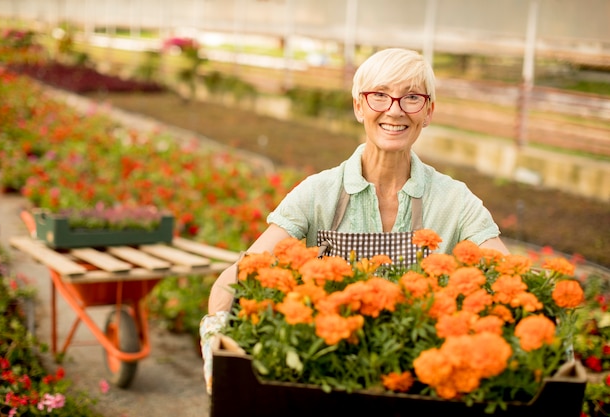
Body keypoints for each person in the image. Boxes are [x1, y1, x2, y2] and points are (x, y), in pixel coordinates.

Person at [199, 47, 510, 393]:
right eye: (379, 95)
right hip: (329, 378)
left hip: (421, 386)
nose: (394, 110)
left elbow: (509, 274)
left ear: (428, 111)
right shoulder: (320, 193)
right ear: (359, 106)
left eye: (411, 97)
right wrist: (219, 343)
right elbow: (240, 275)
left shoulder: (454, 200)